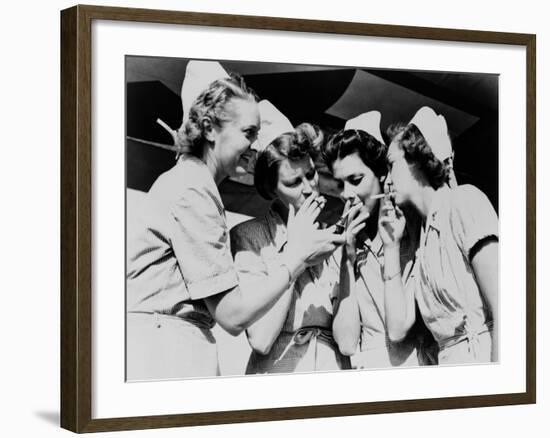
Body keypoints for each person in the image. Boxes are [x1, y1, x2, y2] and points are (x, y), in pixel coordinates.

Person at [126, 61, 345, 380]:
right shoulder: (193, 189)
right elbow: (232, 315)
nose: (257, 146)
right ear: (210, 128)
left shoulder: (192, 183)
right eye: (249, 133)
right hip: (167, 350)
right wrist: (296, 256)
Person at [231, 101, 350, 374]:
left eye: (311, 175)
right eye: (293, 183)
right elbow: (261, 339)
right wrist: (295, 255)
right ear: (270, 190)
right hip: (279, 372)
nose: (309, 188)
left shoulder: (334, 237)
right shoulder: (249, 238)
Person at [380, 106, 498, 365]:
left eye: (391, 165)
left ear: (417, 158)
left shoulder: (464, 201)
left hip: (482, 360)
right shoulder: (423, 238)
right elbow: (397, 329)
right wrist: (391, 246)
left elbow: (506, 307)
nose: (386, 180)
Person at [322, 111, 432, 369]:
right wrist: (346, 262)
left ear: (383, 174)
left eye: (356, 180)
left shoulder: (415, 227)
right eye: (340, 184)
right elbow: (347, 343)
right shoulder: (341, 245)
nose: (346, 194)